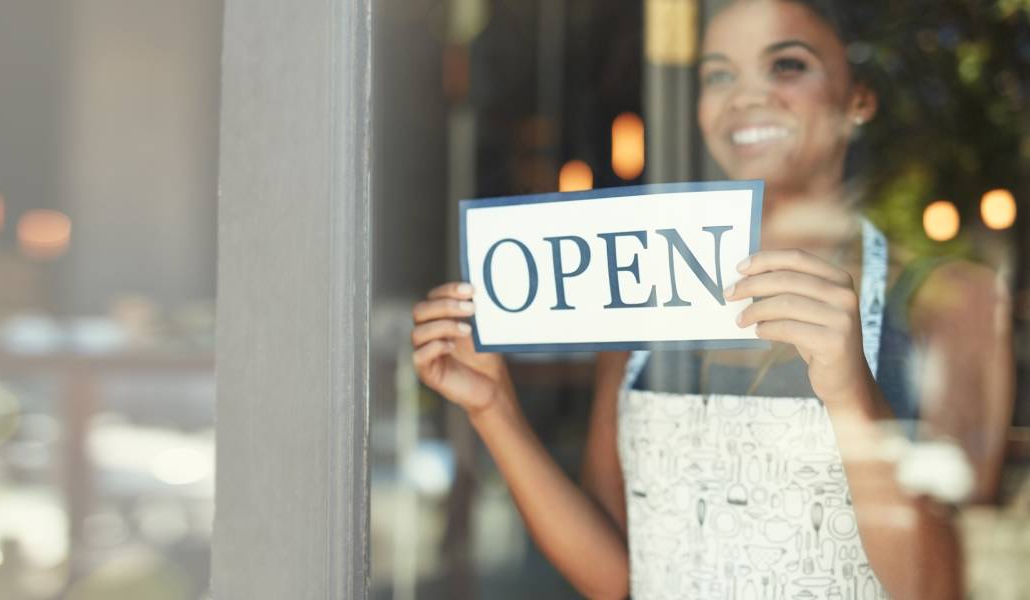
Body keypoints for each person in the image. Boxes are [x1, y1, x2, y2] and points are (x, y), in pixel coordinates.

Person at [410, 1, 1013, 598]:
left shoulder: (946, 304)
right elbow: (615, 576)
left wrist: (852, 394)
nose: (747, 95)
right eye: (719, 74)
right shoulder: (644, 291)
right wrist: (493, 407)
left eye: (787, 65)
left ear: (861, 96)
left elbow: (942, 589)